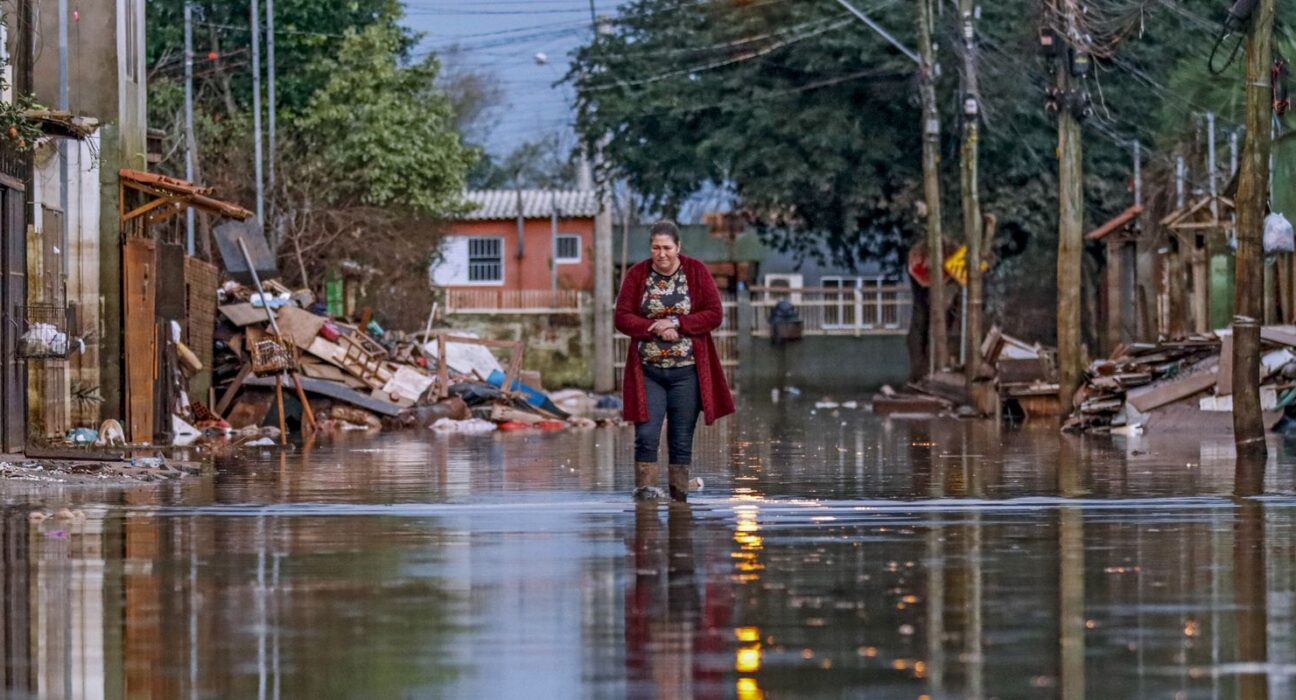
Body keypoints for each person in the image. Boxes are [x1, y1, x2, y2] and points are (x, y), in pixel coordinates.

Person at [615, 220, 735, 501]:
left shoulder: (696, 272)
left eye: (667, 247)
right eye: (655, 247)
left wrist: (677, 324)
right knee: (646, 434)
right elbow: (622, 317)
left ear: (678, 247)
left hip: (687, 372)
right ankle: (645, 493)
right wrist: (653, 327)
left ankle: (679, 498)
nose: (661, 253)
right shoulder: (637, 275)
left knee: (681, 439)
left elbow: (714, 313)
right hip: (648, 371)